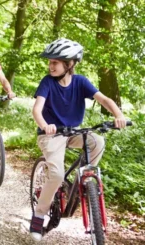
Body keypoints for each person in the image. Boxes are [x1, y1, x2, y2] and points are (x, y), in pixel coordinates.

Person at [30, 38, 127, 241]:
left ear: (70, 63)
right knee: (55, 176)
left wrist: (118, 115)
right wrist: (44, 125)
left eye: (55, 62)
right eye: (50, 62)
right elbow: (37, 109)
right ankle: (39, 213)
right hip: (51, 134)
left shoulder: (81, 82)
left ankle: (81, 180)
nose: (50, 66)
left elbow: (105, 100)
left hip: (73, 131)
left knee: (97, 141)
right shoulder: (47, 82)